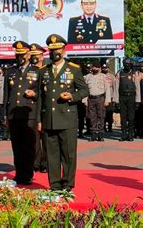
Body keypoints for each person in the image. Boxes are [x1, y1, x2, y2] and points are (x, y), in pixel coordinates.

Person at [40, 34, 89, 191]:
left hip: (67, 118)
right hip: (49, 119)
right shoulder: (44, 71)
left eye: (58, 49)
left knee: (68, 154)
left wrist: (72, 96)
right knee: (51, 155)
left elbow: (84, 90)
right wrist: (39, 120)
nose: (55, 52)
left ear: (64, 50)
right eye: (52, 50)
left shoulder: (73, 69)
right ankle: (54, 184)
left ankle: (67, 183)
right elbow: (41, 97)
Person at [3, 41, 41, 185]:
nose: (20, 57)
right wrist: (5, 115)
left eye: (22, 54)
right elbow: (6, 95)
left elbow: (41, 93)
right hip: (13, 113)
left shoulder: (37, 71)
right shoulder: (10, 71)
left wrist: (34, 94)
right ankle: (19, 173)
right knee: (17, 146)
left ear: (28, 54)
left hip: (29, 113)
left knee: (29, 145)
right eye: (17, 54)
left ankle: (28, 173)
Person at [29, 43, 48, 173]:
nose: (34, 58)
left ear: (42, 56)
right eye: (32, 55)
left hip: (46, 108)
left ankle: (46, 163)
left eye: (37, 55)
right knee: (34, 138)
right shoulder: (29, 71)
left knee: (46, 137)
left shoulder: (48, 70)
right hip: (32, 108)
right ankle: (35, 163)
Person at [112, 58, 140, 141]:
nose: (127, 65)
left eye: (128, 64)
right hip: (122, 96)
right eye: (125, 64)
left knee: (131, 117)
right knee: (123, 116)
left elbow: (137, 87)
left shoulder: (134, 74)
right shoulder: (119, 73)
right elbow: (116, 87)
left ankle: (131, 134)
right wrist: (116, 100)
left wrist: (137, 100)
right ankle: (124, 133)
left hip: (131, 97)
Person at [85, 62, 111, 142]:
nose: (95, 69)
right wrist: (84, 100)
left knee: (101, 116)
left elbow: (107, 89)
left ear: (100, 68)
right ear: (92, 68)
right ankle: (93, 134)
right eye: (94, 67)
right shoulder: (88, 77)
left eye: (97, 67)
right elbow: (85, 89)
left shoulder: (103, 76)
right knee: (92, 117)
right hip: (91, 98)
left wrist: (107, 100)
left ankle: (100, 134)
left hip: (100, 98)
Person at [102, 64, 115, 133]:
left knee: (110, 113)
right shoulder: (100, 75)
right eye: (103, 68)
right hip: (102, 97)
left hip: (110, 96)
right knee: (103, 113)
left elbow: (114, 86)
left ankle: (110, 127)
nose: (104, 69)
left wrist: (115, 97)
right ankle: (103, 127)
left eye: (106, 68)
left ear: (108, 68)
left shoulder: (112, 76)